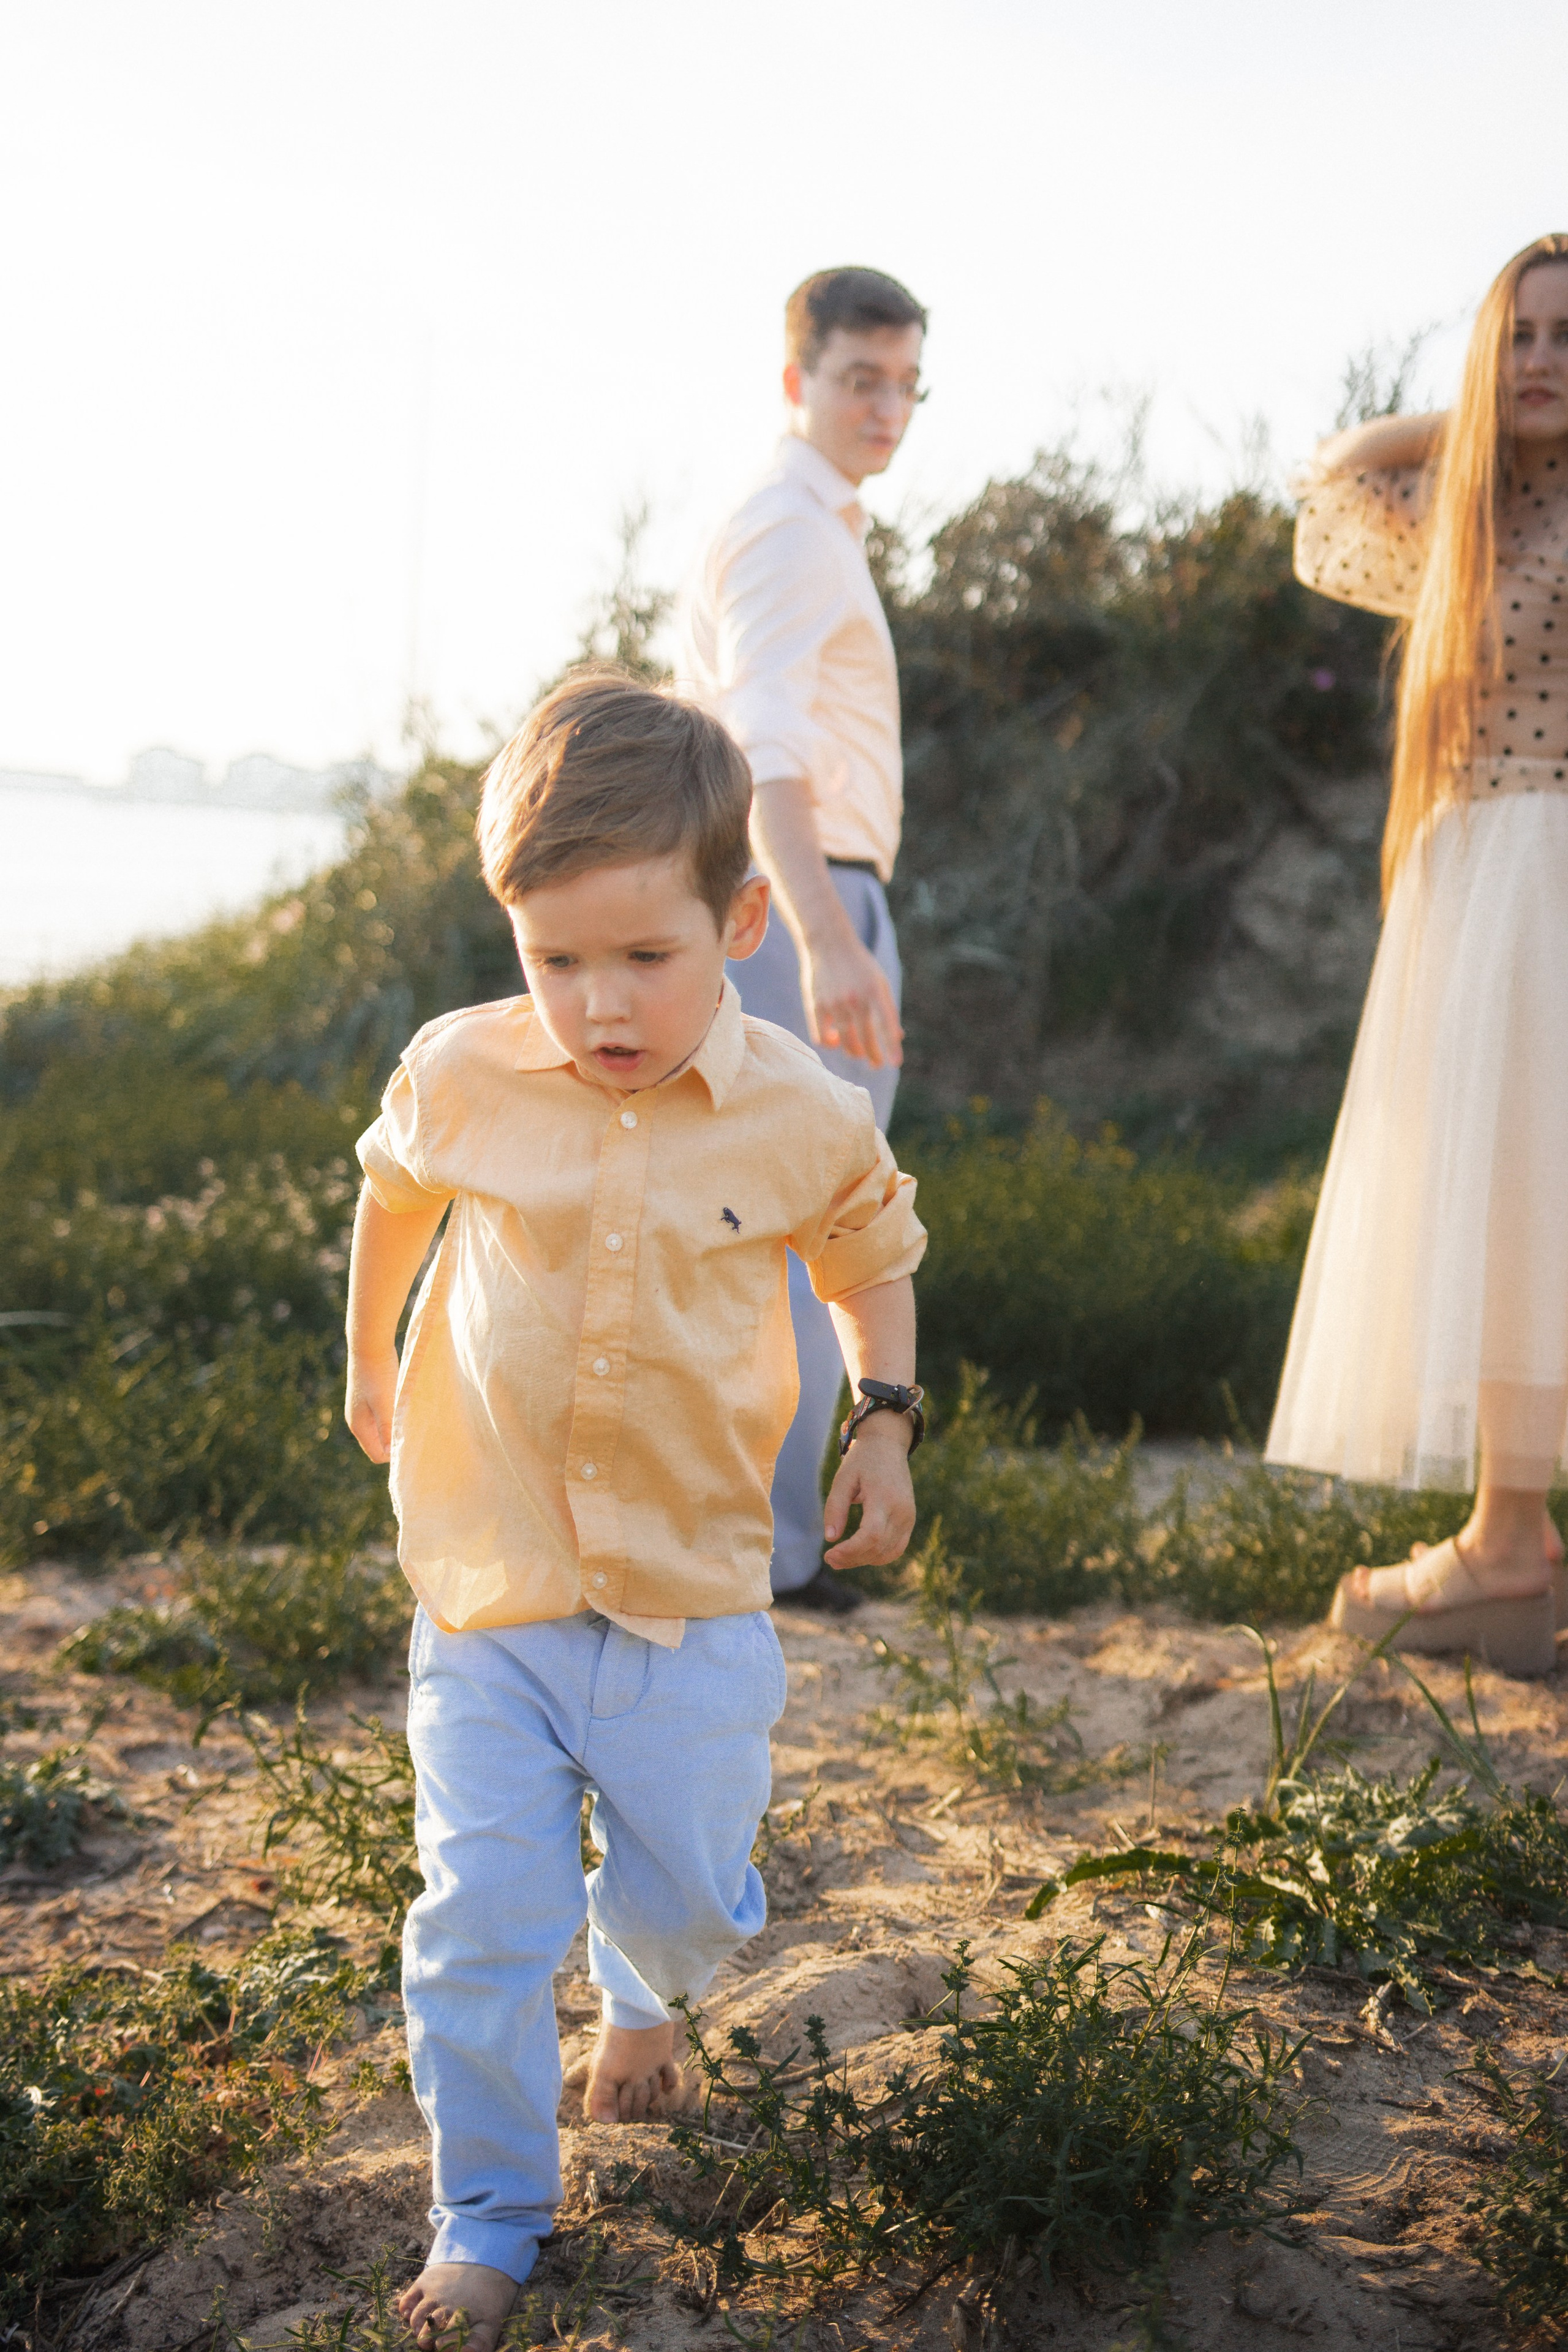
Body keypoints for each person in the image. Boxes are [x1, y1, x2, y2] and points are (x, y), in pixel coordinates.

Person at [343, 671, 926, 2352]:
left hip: (692, 1589)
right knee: (479, 1916)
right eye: (555, 958)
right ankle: (491, 2211)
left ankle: (653, 1993)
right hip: (492, 1585)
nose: (597, 1001)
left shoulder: (799, 1110)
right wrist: (371, 1354)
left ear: (744, 920)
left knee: (690, 1879)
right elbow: (393, 1192)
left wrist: (880, 1423)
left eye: (644, 957)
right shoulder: (465, 1073)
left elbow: (871, 1257)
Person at [1266, 232, 1568, 1679]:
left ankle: (1514, 1546)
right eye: (1518, 337)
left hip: (1552, 863)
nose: (1539, 363)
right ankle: (1509, 1534)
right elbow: (1328, 475)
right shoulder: (1461, 521)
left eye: (1566, 339)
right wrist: (1474, 404)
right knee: (1506, 1197)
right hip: (1474, 875)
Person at [678, 264, 926, 1613]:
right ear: (797, 382)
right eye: (858, 381)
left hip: (819, 893)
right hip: (797, 896)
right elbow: (761, 746)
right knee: (791, 1225)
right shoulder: (784, 527)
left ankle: (777, 1542)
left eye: (903, 386)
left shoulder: (820, 527)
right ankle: (769, 1555)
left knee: (805, 1225)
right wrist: (827, 940)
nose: (885, 409)